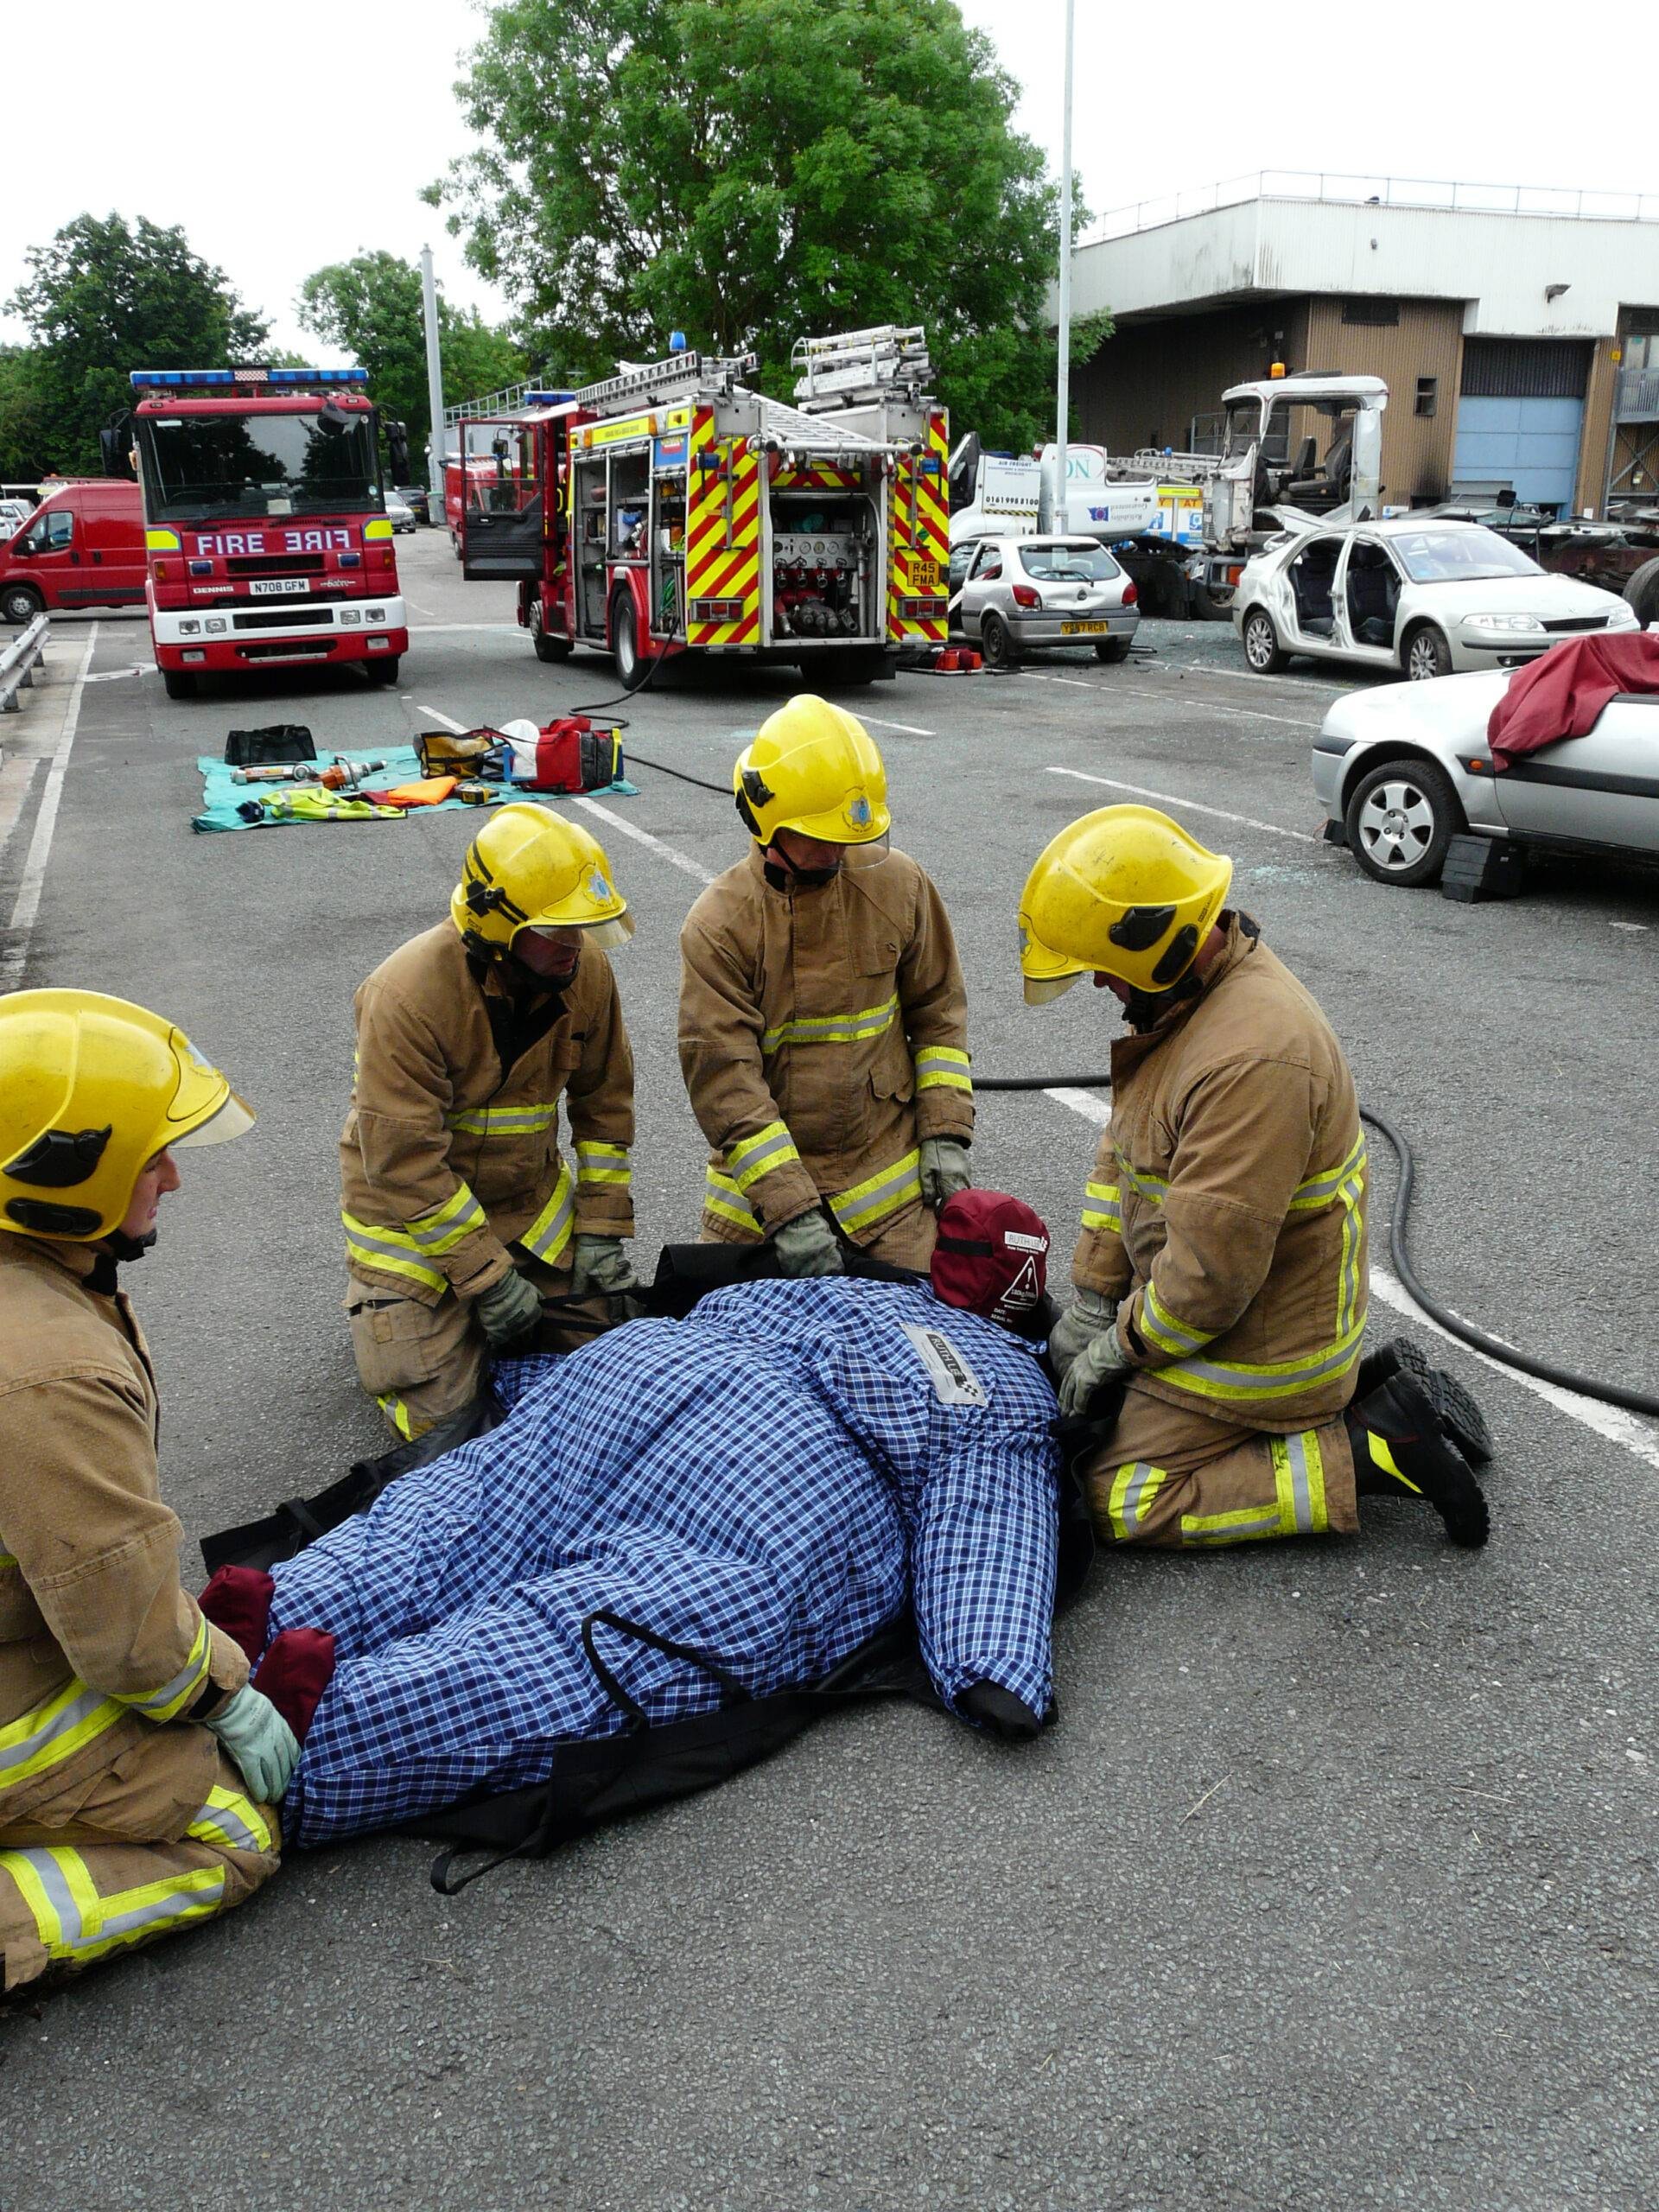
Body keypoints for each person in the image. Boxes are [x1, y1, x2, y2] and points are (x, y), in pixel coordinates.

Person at [237, 1192, 1062, 1848]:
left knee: (466, 1520)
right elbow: (986, 1530)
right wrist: (994, 1670)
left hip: (642, 1375)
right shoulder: (998, 1384)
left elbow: (713, 1310)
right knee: (578, 1636)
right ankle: (308, 1743)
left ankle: (256, 1618)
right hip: (779, 1476)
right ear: (1022, 1302)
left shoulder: (847, 1287)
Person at [1020, 805, 1491, 1553]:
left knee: (1115, 1495)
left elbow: (1207, 1284)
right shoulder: (1185, 1008)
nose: (1101, 985)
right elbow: (1123, 1164)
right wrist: (1092, 1300)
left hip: (1257, 1353)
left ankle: (1367, 1450)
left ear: (1160, 944)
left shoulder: (1251, 1060)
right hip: (1229, 1313)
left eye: (1103, 967)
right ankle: (1368, 1398)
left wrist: (1117, 1349)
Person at [0, 990, 288, 1992]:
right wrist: (222, 1690)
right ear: (60, 1177)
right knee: (232, 1832)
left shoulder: (37, 1283)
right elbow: (125, 1638)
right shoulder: (47, 1370)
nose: (171, 1176)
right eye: (147, 1156)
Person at [340, 804, 638, 1449]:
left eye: (580, 929)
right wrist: (489, 1280)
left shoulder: (584, 973)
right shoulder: (405, 995)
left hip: (526, 1211)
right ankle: (386, 1314)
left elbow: (604, 1105)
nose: (573, 947)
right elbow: (404, 1162)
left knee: (617, 1375)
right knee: (449, 1431)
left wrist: (602, 1230)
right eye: (555, 931)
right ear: (497, 926)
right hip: (413, 1230)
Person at [678, 695, 974, 1277]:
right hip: (755, 1209)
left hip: (887, 1201)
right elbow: (727, 1085)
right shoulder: (719, 926)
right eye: (822, 837)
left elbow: (938, 1013)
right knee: (728, 1353)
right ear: (766, 823)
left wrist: (945, 1131)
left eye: (849, 834)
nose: (842, 852)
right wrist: (788, 1210)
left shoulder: (900, 886)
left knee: (931, 1346)